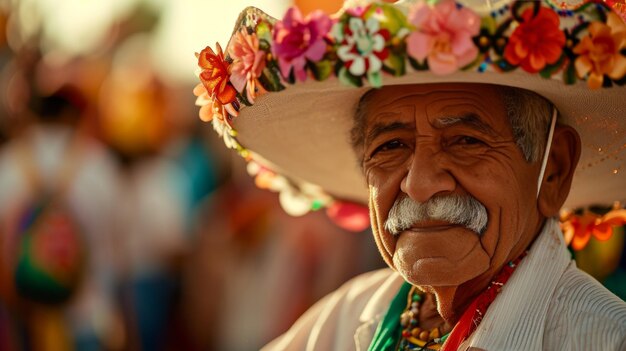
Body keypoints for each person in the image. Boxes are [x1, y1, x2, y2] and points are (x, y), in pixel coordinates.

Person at [192, 0, 626, 349]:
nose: (418, 184)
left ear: (553, 171)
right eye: (391, 147)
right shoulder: (345, 322)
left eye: (465, 141)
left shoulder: (603, 338)